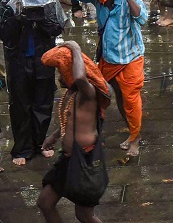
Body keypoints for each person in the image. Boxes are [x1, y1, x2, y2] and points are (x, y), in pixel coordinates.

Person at [66, 0, 148, 157]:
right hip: (107, 56)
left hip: (131, 56)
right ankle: (111, 131)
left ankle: (135, 138)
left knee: (130, 98)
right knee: (110, 94)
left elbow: (142, 18)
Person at [37, 41, 111, 222]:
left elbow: (79, 78)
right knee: (45, 203)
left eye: (61, 71)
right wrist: (54, 137)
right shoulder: (71, 93)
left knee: (84, 215)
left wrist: (76, 49)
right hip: (67, 159)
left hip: (85, 161)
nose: (59, 76)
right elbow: (71, 120)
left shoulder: (88, 92)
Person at [0, 0, 66, 165]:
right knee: (20, 105)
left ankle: (40, 144)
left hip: (42, 60)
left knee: (43, 103)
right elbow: (4, 34)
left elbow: (57, 28)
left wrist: (41, 18)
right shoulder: (8, 1)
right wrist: (17, 17)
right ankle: (21, 149)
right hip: (18, 61)